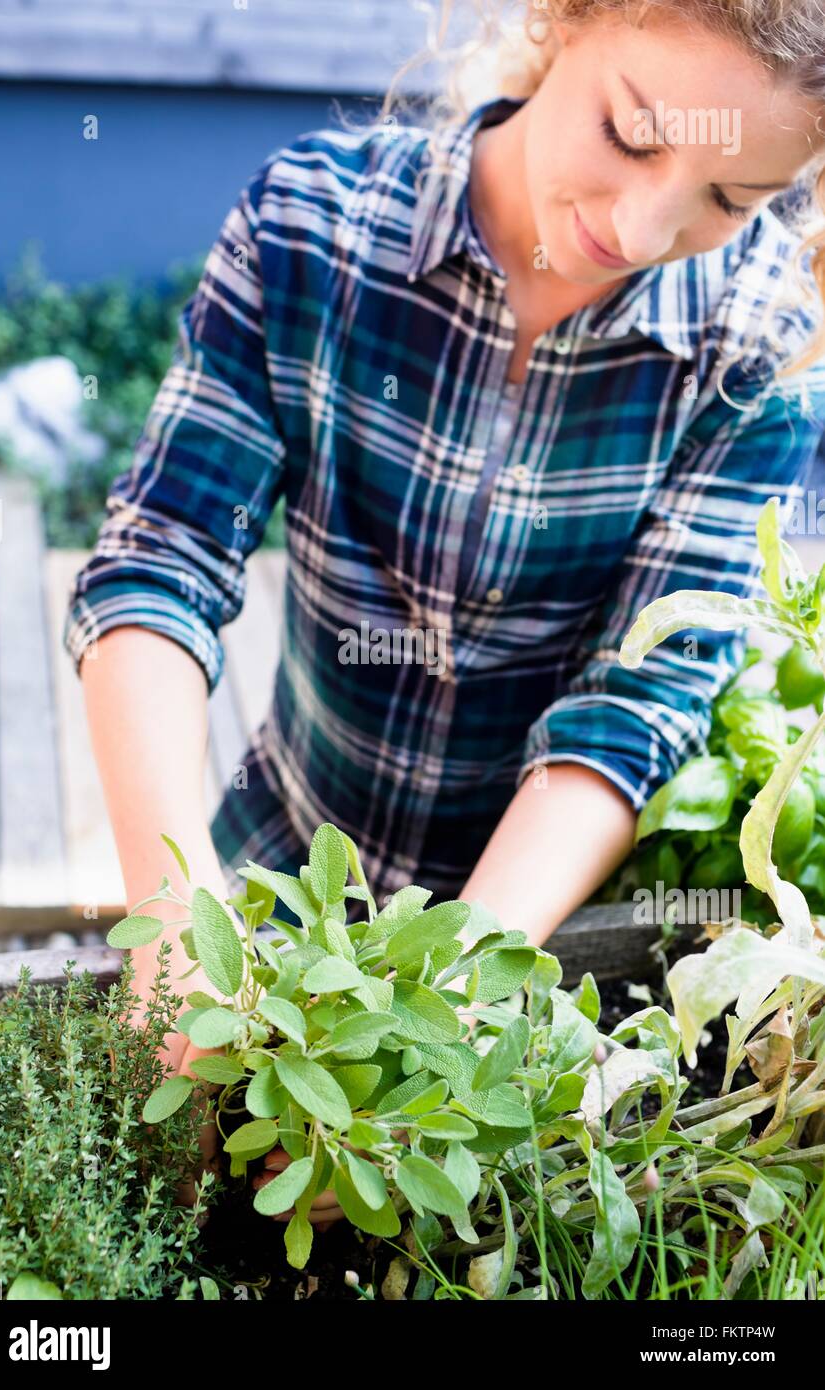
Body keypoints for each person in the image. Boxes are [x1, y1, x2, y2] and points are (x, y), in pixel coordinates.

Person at [64, 0, 825, 1228]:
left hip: (512, 955)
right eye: (630, 134)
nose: (640, 228)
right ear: (560, 19)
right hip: (261, 874)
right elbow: (163, 555)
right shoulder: (310, 225)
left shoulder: (752, 356)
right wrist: (173, 932)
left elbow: (635, 708)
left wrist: (435, 1013)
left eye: (730, 200)